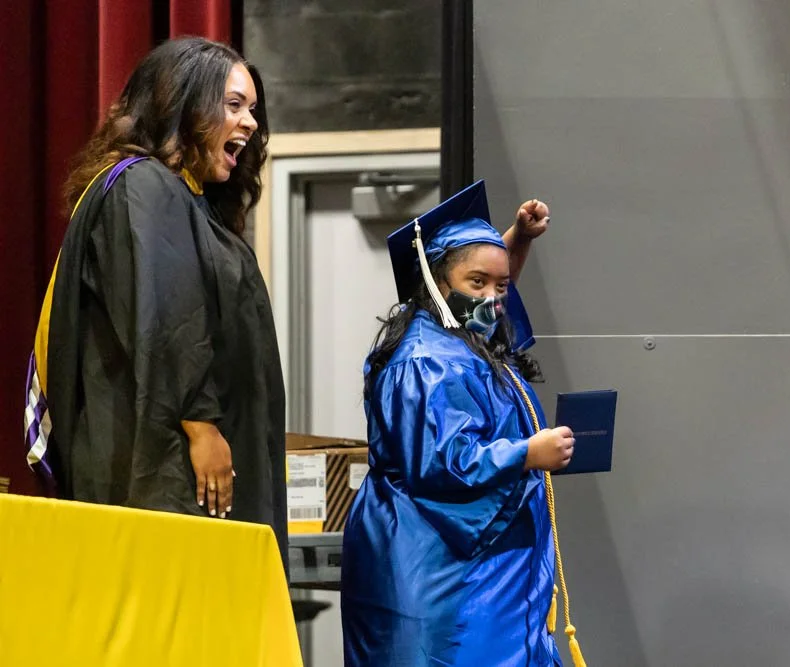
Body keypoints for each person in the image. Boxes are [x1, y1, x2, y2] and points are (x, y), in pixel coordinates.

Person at [23, 37, 287, 565]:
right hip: (166, 466)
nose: (250, 122)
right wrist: (201, 425)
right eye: (234, 104)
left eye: (252, 109)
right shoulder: (143, 186)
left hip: (186, 459)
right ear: (184, 104)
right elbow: (167, 319)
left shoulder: (188, 200)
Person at [341, 180, 581, 666]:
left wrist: (519, 238)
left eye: (501, 287)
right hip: (439, 569)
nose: (492, 299)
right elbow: (442, 462)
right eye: (477, 284)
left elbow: (486, 282)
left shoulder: (466, 344)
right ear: (436, 284)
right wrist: (526, 453)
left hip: (487, 570)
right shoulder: (425, 361)